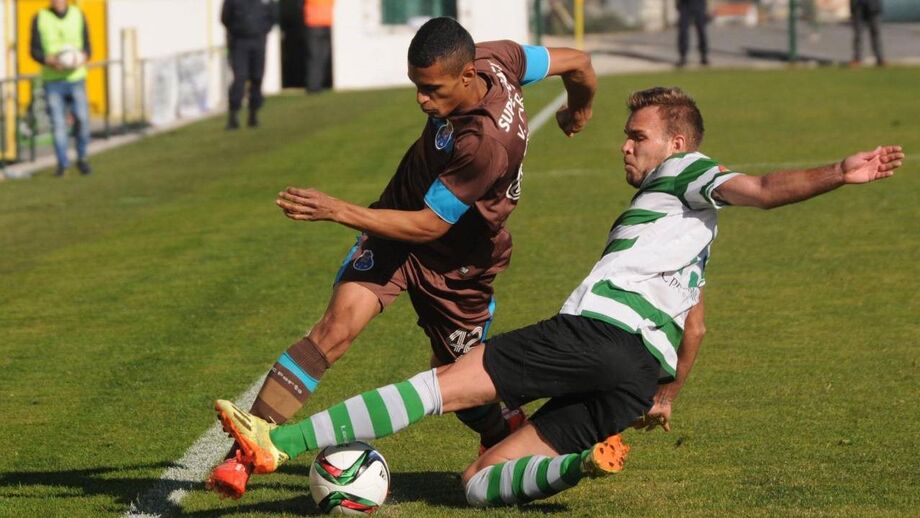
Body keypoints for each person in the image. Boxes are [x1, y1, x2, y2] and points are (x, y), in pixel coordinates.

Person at [212, 86, 903, 507]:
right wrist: (665, 398)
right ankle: (579, 464)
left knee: (442, 386)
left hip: (595, 336)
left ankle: (278, 442)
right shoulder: (689, 236)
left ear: (677, 142)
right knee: (478, 482)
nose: (625, 148)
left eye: (637, 137)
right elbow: (694, 329)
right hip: (635, 382)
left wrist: (838, 172)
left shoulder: (686, 173)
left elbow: (762, 190)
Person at [205, 17, 598, 499]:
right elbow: (579, 63)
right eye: (417, 85)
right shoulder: (496, 56)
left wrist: (336, 210)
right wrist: (579, 109)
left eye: (432, 90)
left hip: (456, 265)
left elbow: (430, 225)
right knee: (335, 328)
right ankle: (244, 456)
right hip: (394, 231)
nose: (421, 100)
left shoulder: (484, 144)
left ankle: (508, 433)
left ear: (467, 76)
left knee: (459, 375)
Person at [30, 0, 92, 177]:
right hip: (53, 81)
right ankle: (62, 164)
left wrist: (81, 57)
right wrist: (48, 60)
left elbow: (88, 47)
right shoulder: (40, 17)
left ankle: (82, 158)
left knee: (82, 120)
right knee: (58, 124)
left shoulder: (78, 14)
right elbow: (34, 51)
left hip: (76, 78)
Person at [221, 0, 277, 129]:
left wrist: (263, 30)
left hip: (258, 40)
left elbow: (273, 15)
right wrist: (237, 30)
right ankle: (233, 115)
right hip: (239, 42)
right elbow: (225, 18)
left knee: (257, 77)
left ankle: (253, 115)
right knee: (240, 78)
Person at [304, 0, 333, 93]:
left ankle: (318, 85)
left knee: (323, 56)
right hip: (313, 24)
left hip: (326, 24)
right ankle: (313, 86)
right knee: (315, 56)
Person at [850, 0, 885, 67]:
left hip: (873, 6)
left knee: (875, 33)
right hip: (858, 6)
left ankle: (880, 59)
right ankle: (857, 59)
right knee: (858, 34)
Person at [676, 0, 709, 68]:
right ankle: (683, 57)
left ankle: (704, 56)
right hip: (685, 4)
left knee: (701, 30)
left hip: (699, 4)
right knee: (683, 31)